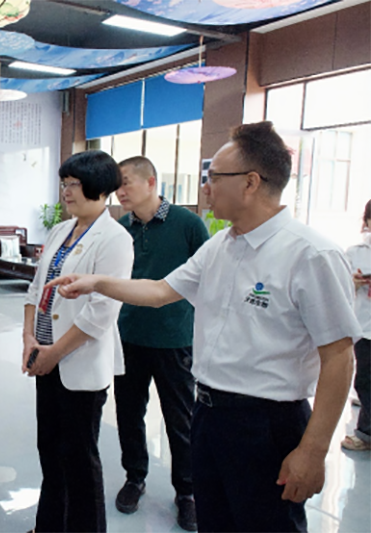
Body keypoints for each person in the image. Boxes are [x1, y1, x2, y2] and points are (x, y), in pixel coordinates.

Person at [46, 122, 361, 533]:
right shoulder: (221, 245)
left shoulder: (311, 254)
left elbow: (339, 357)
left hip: (266, 423)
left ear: (250, 182)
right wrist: (96, 282)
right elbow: (160, 291)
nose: (205, 188)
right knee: (216, 520)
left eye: (213, 177)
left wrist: (313, 450)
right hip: (209, 412)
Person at [21, 150, 134, 533]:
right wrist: (28, 337)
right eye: (64, 184)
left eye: (74, 184)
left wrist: (54, 353)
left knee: (79, 459)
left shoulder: (115, 239)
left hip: (78, 363)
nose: (66, 191)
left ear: (99, 189)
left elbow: (101, 313)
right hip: (45, 357)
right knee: (50, 452)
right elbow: (36, 288)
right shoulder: (61, 230)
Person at [112, 156, 209, 531]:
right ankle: (134, 477)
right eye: (117, 185)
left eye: (126, 183)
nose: (120, 191)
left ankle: (187, 492)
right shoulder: (122, 228)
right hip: (129, 337)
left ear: (151, 182)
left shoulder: (188, 224)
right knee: (128, 414)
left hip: (174, 339)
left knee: (180, 419)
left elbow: (208, 278)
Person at [343, 199, 371, 452]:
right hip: (365, 327)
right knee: (364, 379)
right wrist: (353, 283)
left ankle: (365, 433)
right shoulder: (356, 252)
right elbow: (338, 287)